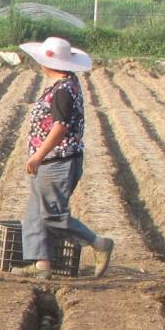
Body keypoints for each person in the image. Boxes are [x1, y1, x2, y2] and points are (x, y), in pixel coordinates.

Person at [13, 35, 114, 279]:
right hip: (53, 161)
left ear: (47, 64)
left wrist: (38, 155)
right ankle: (41, 266)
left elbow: (60, 128)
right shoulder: (67, 85)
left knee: (52, 214)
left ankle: (98, 243)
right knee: (35, 213)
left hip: (58, 161)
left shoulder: (63, 91)